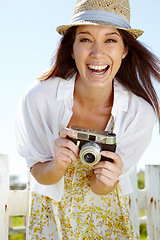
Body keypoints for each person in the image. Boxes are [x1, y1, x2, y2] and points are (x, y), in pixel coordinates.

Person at [16, 0, 160, 239]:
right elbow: (37, 170)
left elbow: (102, 188)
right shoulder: (39, 97)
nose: (97, 52)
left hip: (109, 221)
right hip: (52, 219)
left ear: (125, 50)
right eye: (85, 39)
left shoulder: (139, 113)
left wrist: (106, 180)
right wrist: (56, 165)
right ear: (71, 48)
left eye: (111, 40)